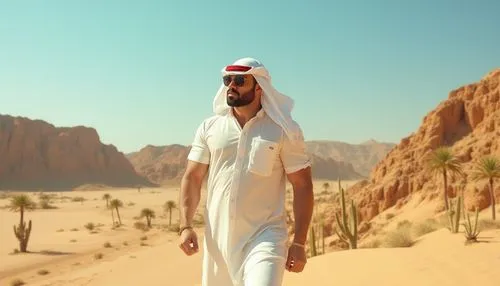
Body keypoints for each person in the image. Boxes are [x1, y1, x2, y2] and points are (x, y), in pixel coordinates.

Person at [178, 57, 314, 286]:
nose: (231, 85)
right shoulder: (209, 128)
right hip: (218, 244)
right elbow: (192, 177)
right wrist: (185, 225)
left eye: (240, 80)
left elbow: (302, 185)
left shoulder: (283, 131)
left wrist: (299, 243)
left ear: (259, 87)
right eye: (227, 80)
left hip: (264, 239)